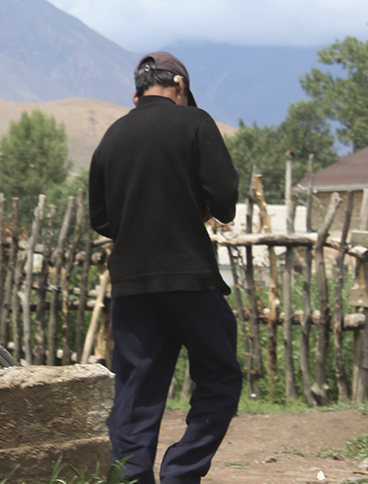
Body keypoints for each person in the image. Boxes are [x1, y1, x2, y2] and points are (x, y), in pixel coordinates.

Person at [89, 51, 241, 484]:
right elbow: (225, 200)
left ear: (136, 94)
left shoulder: (113, 136)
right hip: (189, 279)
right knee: (220, 377)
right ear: (179, 87)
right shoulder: (195, 123)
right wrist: (196, 207)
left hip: (132, 286)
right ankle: (181, 471)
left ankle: (130, 478)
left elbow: (101, 219)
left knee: (135, 392)